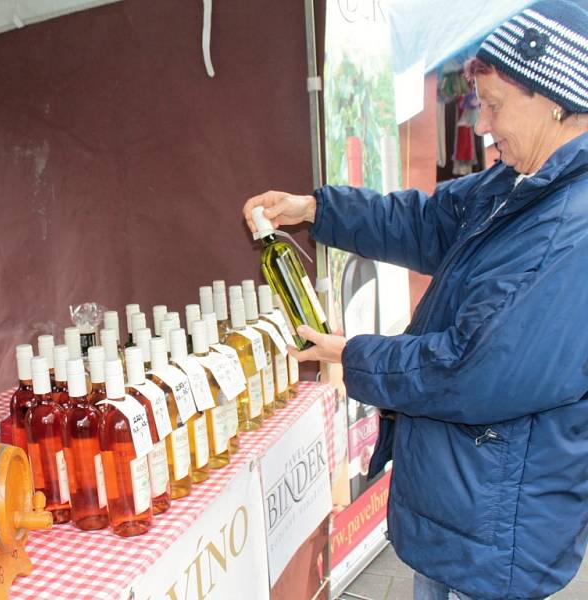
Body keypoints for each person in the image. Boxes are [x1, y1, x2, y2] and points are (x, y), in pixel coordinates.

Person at [244, 1, 588, 598]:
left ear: (553, 100)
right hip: (467, 507)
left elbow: (474, 369)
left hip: (495, 531)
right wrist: (318, 211)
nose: (482, 126)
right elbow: (428, 223)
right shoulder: (522, 183)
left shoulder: (570, 227)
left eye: (495, 105)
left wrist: (354, 356)